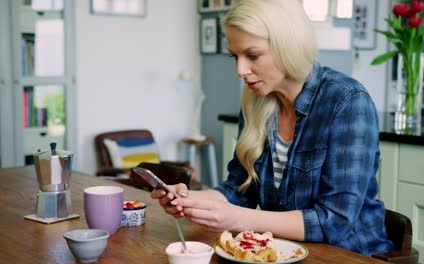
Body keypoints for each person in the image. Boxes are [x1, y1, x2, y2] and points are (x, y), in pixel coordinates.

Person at [151, 0, 393, 256]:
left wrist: (236, 219)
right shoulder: (257, 102)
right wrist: (192, 199)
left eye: (252, 55)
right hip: (283, 252)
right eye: (235, 56)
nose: (240, 70)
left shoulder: (347, 100)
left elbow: (335, 221)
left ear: (288, 45)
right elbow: (239, 189)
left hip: (349, 255)